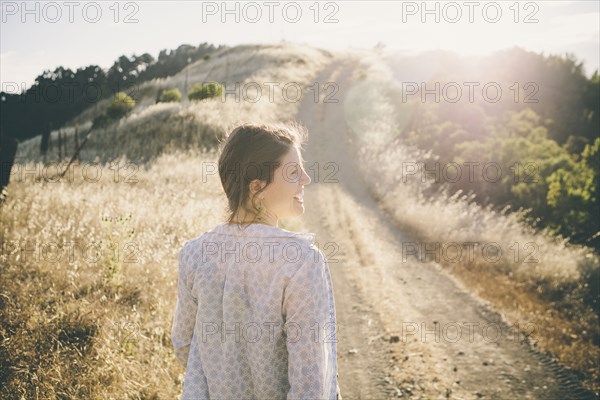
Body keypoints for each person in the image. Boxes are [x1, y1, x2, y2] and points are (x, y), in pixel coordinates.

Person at [171, 122, 341, 399]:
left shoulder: (194, 254)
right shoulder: (300, 262)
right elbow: (311, 382)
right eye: (294, 172)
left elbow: (182, 343)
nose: (306, 179)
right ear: (257, 187)